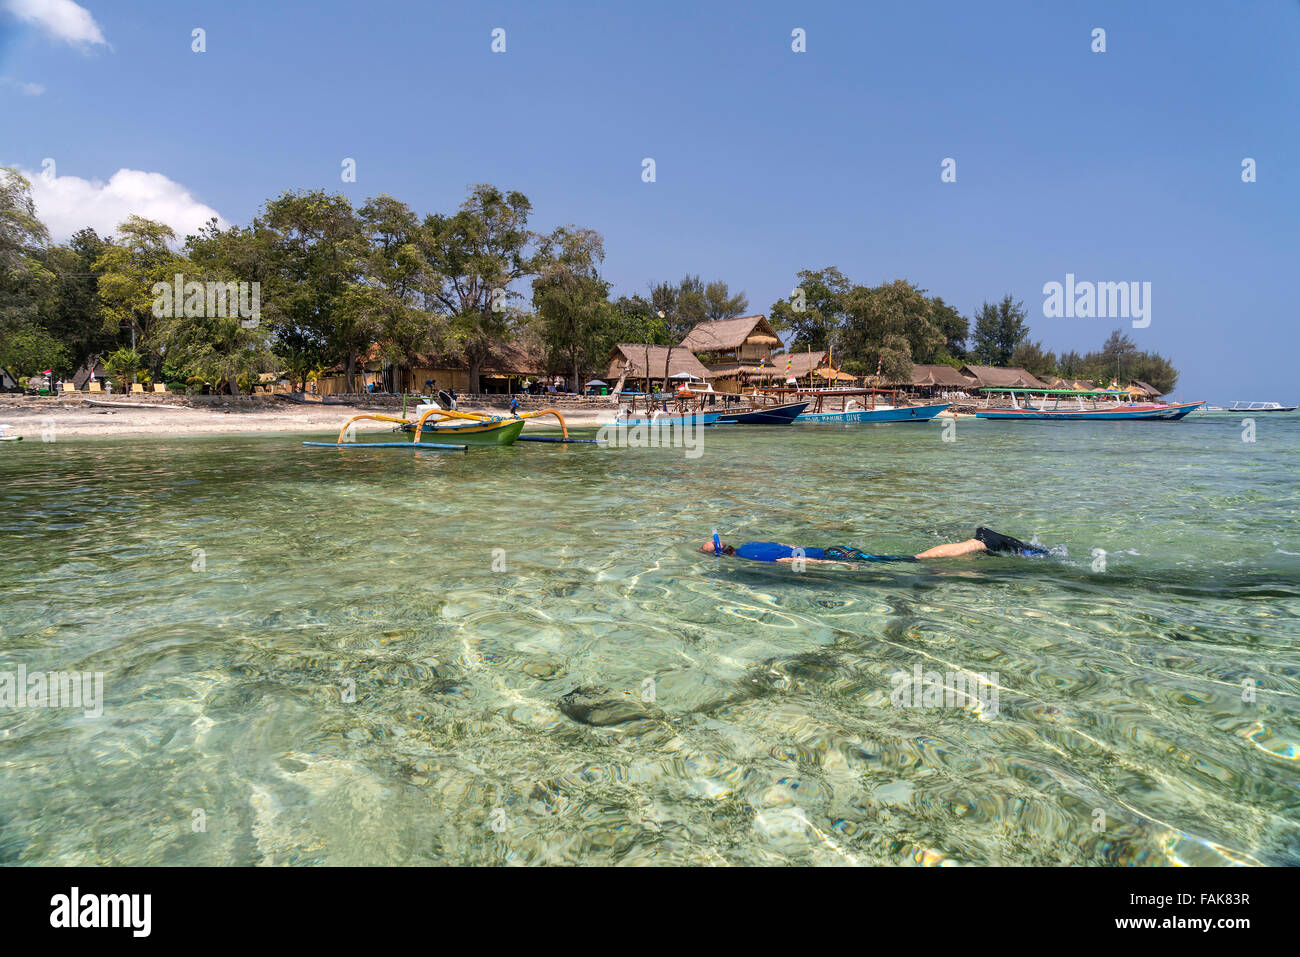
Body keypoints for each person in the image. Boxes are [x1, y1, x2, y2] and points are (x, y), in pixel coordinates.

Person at [702, 527, 1048, 563]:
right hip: (831, 548)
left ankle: (979, 543)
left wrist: (840, 569)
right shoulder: (751, 544)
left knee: (910, 560)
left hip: (835, 558)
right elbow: (791, 547)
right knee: (903, 559)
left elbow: (792, 564)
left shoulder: (753, 559)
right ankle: (978, 547)